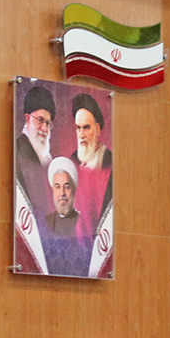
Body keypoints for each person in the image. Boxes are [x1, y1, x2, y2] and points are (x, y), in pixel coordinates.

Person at [67, 94, 112, 243]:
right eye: (78, 128)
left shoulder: (111, 163)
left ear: (97, 129)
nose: (81, 135)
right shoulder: (71, 163)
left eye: (86, 128)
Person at [45, 157, 80, 238]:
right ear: (53, 190)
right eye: (58, 187)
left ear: (74, 190)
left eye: (67, 187)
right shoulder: (46, 222)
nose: (62, 193)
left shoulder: (83, 222)